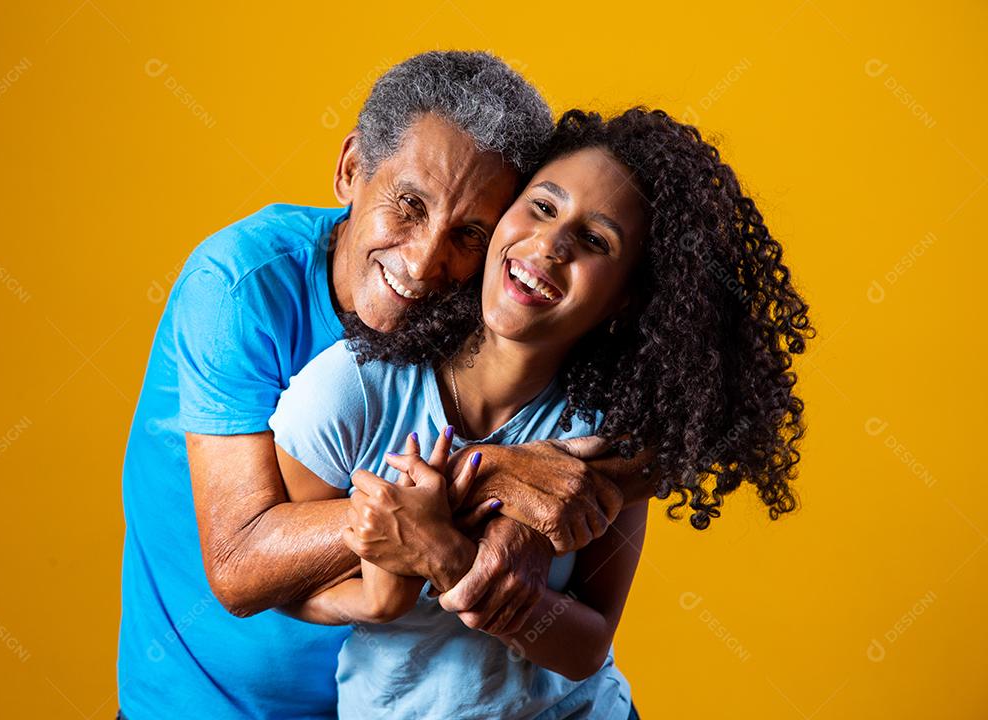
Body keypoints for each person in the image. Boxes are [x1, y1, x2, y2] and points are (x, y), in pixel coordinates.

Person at [118, 52, 642, 720]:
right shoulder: (241, 286)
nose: (425, 263)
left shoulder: (492, 320)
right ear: (349, 170)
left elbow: (659, 431)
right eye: (409, 205)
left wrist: (532, 518)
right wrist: (488, 480)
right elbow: (240, 561)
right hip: (201, 702)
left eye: (468, 233)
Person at [267, 107, 815, 719]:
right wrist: (379, 596)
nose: (550, 245)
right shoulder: (351, 391)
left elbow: (587, 647)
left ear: (625, 298)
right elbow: (285, 582)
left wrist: (453, 559)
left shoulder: (607, 433)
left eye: (595, 240)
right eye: (543, 207)